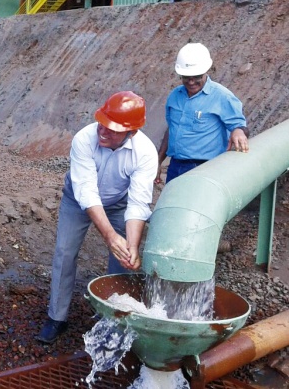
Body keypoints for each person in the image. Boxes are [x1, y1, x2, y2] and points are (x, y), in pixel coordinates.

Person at [37, 91, 157, 344]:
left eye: (112, 129)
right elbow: (87, 192)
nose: (103, 131)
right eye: (103, 123)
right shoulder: (84, 138)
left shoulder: (145, 152)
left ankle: (114, 317)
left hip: (118, 203)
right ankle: (56, 317)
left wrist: (131, 246)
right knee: (64, 252)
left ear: (131, 132)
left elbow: (138, 203)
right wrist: (110, 235)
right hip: (77, 200)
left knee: (123, 258)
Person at [157, 42, 249, 184]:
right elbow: (172, 129)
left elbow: (239, 126)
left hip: (206, 168)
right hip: (175, 166)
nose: (191, 81)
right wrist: (158, 161)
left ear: (206, 71)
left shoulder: (221, 96)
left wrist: (238, 131)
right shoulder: (175, 96)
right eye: (186, 77)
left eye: (196, 76)